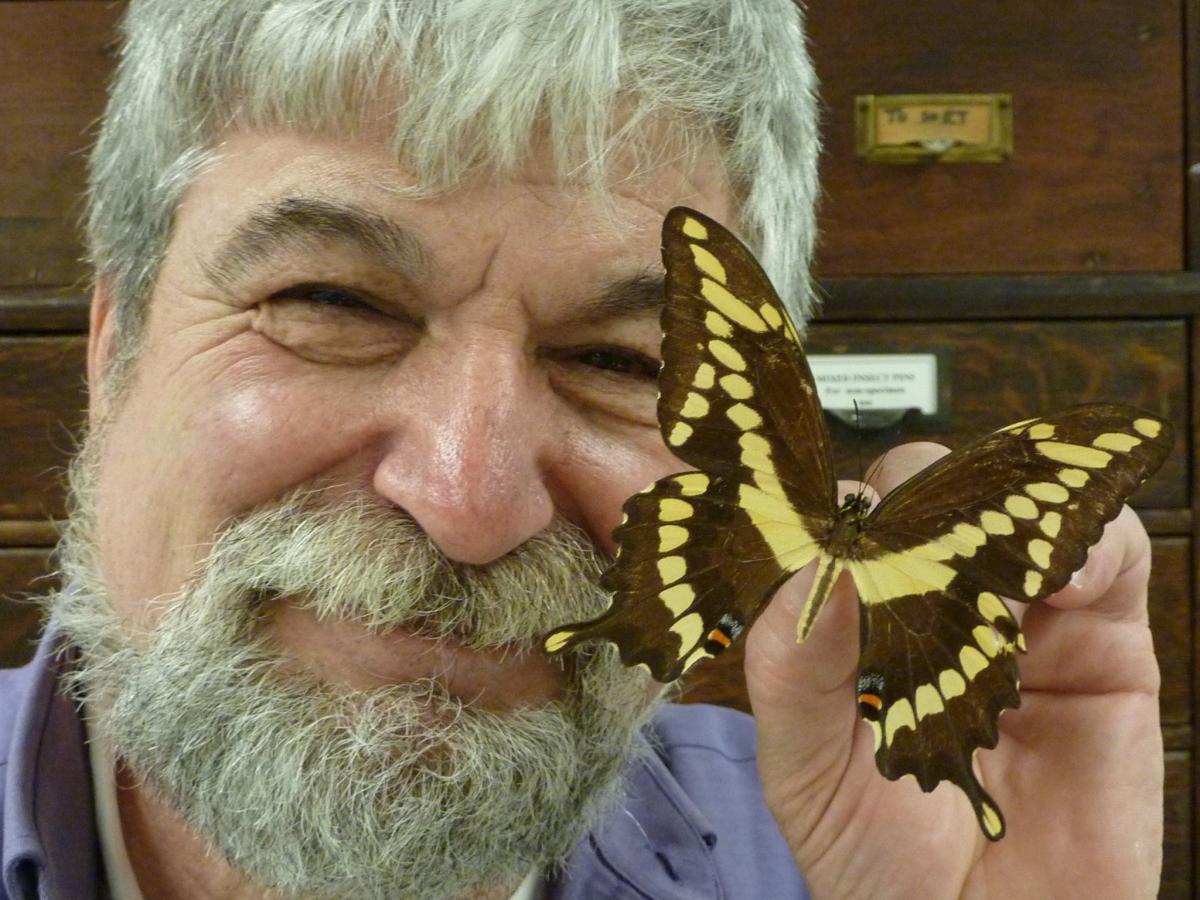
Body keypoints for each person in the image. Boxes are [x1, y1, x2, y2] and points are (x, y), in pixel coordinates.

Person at [0, 1, 1162, 898]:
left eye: (621, 363)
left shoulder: (860, 857)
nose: (468, 498)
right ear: (117, 347)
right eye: (335, 303)